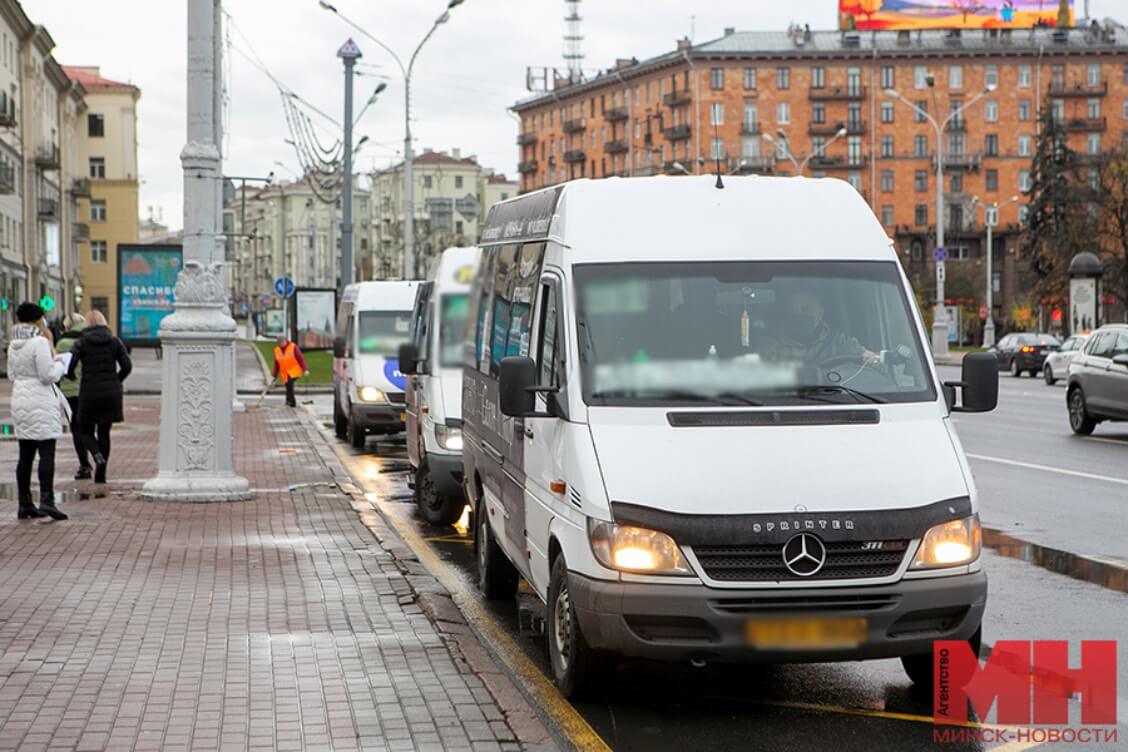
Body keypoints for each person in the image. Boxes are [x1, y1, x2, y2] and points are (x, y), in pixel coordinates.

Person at [6, 302, 68, 520]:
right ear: (37, 319)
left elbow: (11, 374)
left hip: (20, 398)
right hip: (40, 400)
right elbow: (47, 375)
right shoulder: (39, 342)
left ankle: (25, 504)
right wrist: (60, 364)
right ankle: (47, 501)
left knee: (25, 455)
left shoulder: (14, 343)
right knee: (47, 452)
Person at [65, 310, 132, 484]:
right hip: (111, 392)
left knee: (84, 429)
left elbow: (69, 365)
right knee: (104, 431)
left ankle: (96, 456)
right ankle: (102, 473)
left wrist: (71, 376)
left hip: (89, 391)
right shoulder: (114, 341)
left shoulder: (81, 343)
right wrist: (116, 380)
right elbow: (127, 365)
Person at [764, 289, 878, 366]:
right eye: (793, 309)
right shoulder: (771, 343)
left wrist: (877, 359)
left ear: (820, 312)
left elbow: (872, 360)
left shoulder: (839, 342)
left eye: (805, 308)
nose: (799, 314)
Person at [55, 313, 91, 479]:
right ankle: (97, 455)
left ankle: (84, 464)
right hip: (88, 388)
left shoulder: (62, 343)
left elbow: (58, 367)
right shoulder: (88, 339)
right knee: (89, 427)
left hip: (69, 390)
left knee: (76, 428)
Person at [272, 334, 308, 408]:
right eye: (279, 344)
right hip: (285, 372)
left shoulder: (293, 347)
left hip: (295, 370)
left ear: (285, 341)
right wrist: (274, 376)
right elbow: (277, 364)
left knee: (289, 383)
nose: (280, 345)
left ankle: (292, 402)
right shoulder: (277, 350)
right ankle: (288, 400)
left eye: (281, 343)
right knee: (288, 386)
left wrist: (305, 369)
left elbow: (300, 358)